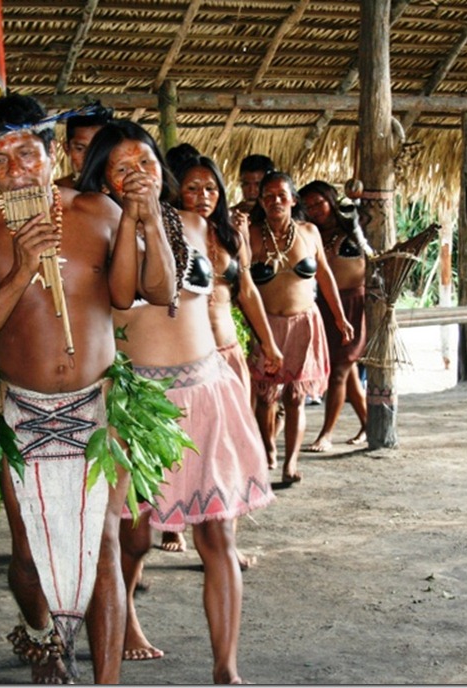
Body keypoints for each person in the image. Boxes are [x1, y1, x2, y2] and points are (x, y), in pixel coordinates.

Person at [0, 95, 176, 684]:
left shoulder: (99, 212)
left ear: (52, 153)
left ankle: (104, 681)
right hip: (21, 411)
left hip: (99, 403)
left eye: (27, 153)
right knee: (28, 557)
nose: (16, 169)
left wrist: (145, 218)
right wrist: (22, 268)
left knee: (100, 549)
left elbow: (148, 291)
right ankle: (43, 633)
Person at [80, 122, 274, 684]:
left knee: (219, 535)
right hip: (141, 403)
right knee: (133, 534)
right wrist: (136, 220)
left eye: (145, 161)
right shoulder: (100, 233)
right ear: (103, 181)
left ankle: (226, 667)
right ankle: (128, 622)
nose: (138, 174)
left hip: (206, 390)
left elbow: (184, 288)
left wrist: (151, 219)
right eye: (122, 168)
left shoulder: (192, 224)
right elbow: (133, 293)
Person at [166, 145, 284, 568]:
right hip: (189, 361)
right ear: (176, 190)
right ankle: (168, 524)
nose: (203, 194)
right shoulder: (169, 233)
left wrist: (268, 344)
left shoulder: (230, 234)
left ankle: (223, 545)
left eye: (211, 187)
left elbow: (247, 291)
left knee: (230, 449)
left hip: (230, 354)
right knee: (186, 447)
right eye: (193, 187)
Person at [247, 172, 353, 484]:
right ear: (261, 203)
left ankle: (290, 462)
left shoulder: (309, 232)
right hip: (266, 326)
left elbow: (324, 276)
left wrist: (339, 316)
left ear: (293, 200)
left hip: (304, 324)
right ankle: (268, 447)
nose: (275, 201)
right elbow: (240, 281)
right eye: (268, 196)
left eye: (282, 195)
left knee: (295, 398)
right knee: (265, 397)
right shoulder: (251, 235)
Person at [299, 180, 374, 451]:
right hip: (326, 306)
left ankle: (326, 434)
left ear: (331, 199)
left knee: (339, 371)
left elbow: (369, 220)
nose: (315, 209)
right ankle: (368, 423)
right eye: (308, 205)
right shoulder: (309, 233)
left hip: (354, 305)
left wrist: (357, 198)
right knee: (347, 369)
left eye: (319, 202)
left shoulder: (353, 228)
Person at [54, 106, 113, 189]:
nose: (89, 157)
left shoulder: (124, 192)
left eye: (97, 148)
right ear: (67, 149)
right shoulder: (55, 193)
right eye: (80, 149)